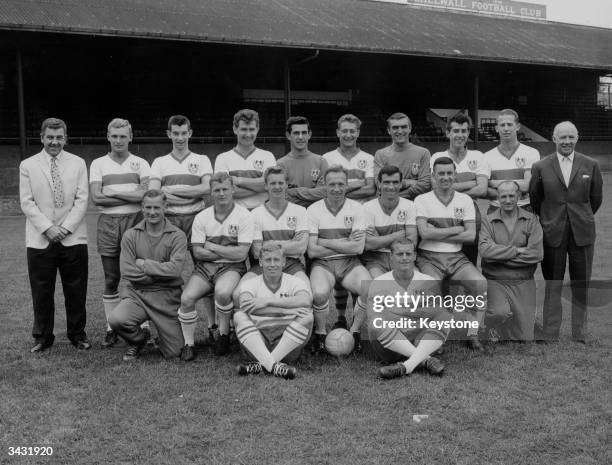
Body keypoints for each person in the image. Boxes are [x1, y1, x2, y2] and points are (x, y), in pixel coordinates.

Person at [20, 117, 90, 352]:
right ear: (42, 138)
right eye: (50, 137)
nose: (54, 142)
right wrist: (48, 228)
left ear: (66, 138)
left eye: (59, 137)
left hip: (73, 236)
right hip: (40, 238)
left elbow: (82, 199)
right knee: (41, 290)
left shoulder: (78, 163)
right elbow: (27, 202)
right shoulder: (27, 165)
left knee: (76, 290)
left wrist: (65, 228)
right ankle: (42, 337)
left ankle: (78, 334)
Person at [529, 121, 603, 343]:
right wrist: (552, 219)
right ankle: (550, 332)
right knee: (553, 282)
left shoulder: (591, 164)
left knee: (582, 283)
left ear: (577, 138)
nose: (567, 141)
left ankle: (580, 332)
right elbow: (536, 199)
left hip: (582, 232)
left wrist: (579, 216)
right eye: (562, 137)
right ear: (553, 139)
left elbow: (596, 199)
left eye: (571, 137)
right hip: (552, 232)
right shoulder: (541, 166)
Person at [149, 115, 215, 340]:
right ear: (169, 134)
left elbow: (206, 189)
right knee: (165, 275)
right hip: (169, 222)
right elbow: (156, 194)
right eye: (175, 133)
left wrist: (171, 192)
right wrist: (189, 191)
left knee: (206, 271)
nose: (179, 137)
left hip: (197, 219)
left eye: (183, 132)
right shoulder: (159, 162)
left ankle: (213, 327)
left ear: (190, 133)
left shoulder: (202, 159)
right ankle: (164, 328)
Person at [414, 156, 487, 351]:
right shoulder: (422, 199)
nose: (445, 177)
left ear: (455, 175)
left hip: (456, 257)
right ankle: (433, 337)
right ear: (433, 176)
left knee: (480, 284)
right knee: (430, 290)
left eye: (449, 173)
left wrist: (436, 232)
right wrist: (456, 230)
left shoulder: (465, 200)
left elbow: (471, 235)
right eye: (441, 173)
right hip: (428, 256)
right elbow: (424, 233)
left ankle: (472, 335)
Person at [178, 172, 254, 360]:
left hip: (232, 268)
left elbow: (241, 254)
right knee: (187, 298)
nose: (221, 193)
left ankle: (223, 334)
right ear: (211, 192)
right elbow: (197, 252)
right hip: (205, 268)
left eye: (225, 189)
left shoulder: (244, 215)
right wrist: (226, 249)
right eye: (217, 190)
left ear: (233, 189)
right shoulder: (202, 216)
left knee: (222, 292)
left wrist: (211, 246)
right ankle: (189, 344)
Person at [89, 118, 151, 348]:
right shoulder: (98, 164)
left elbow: (145, 196)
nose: (118, 140)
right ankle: (110, 327)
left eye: (123, 136)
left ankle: (143, 326)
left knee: (139, 275)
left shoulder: (141, 163)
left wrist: (112, 193)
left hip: (136, 221)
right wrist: (129, 193)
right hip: (108, 223)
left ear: (130, 137)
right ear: (108, 136)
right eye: (114, 136)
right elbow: (96, 198)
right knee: (112, 278)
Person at [109, 190, 188, 361]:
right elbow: (127, 271)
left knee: (175, 352)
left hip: (166, 297)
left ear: (165, 207)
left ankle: (164, 336)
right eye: (148, 207)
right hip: (137, 294)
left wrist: (144, 264)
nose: (152, 212)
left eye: (157, 207)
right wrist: (159, 273)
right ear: (142, 208)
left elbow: (175, 270)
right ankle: (138, 340)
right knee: (116, 319)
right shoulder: (130, 235)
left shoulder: (178, 236)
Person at [307, 166, 372, 353]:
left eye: (341, 184)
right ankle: (319, 334)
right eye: (332, 184)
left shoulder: (357, 209)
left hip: (350, 262)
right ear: (324, 185)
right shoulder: (313, 210)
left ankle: (354, 332)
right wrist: (345, 242)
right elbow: (312, 251)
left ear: (347, 185)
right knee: (319, 293)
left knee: (370, 288)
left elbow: (358, 247)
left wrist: (324, 241)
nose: (336, 188)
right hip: (323, 264)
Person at [368, 239, 448, 379]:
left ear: (415, 256)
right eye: (400, 254)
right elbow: (373, 317)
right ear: (391, 256)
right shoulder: (379, 283)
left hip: (418, 340)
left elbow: (437, 312)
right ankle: (426, 360)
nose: (404, 258)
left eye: (408, 253)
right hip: (391, 347)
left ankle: (406, 367)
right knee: (376, 323)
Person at [234, 243, 313, 379]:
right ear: (260, 262)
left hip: (286, 343)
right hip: (258, 342)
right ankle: (273, 366)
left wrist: (267, 301)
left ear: (283, 262)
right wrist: (285, 310)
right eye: (267, 260)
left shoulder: (295, 281)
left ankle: (262, 365)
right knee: (239, 316)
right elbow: (245, 306)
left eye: (276, 260)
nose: (272, 264)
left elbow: (305, 300)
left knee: (307, 317)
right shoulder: (250, 283)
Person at [479, 181, 543, 342]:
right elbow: (485, 252)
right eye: (503, 196)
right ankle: (493, 324)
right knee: (499, 311)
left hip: (523, 280)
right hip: (495, 279)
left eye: (511, 196)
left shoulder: (531, 220)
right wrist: (516, 250)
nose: (507, 200)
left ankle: (511, 321)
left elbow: (536, 254)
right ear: (498, 198)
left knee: (525, 338)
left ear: (519, 197)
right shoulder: (488, 220)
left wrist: (500, 257)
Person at [430, 112, 489, 265]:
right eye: (456, 131)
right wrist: (471, 182)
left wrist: (450, 187)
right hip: (444, 215)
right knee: (443, 258)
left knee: (469, 262)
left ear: (468, 132)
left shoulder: (478, 156)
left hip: (471, 216)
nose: (460, 135)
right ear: (448, 132)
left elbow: (482, 189)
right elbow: (436, 188)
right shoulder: (437, 156)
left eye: (464, 131)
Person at [236, 166, 309, 286]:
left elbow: (300, 248)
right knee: (239, 292)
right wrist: (289, 244)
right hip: (263, 265)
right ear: (265, 186)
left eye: (281, 183)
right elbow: (256, 251)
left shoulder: (300, 211)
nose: (277, 187)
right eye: (273, 183)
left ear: (286, 185)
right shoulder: (255, 214)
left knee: (306, 289)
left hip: (291, 265)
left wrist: (267, 244)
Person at [214, 109, 276, 210]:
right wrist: (262, 187)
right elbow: (224, 191)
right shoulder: (222, 158)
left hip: (262, 215)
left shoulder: (268, 156)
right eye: (244, 129)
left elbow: (271, 186)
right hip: (234, 216)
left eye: (251, 129)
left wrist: (238, 180)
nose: (248, 134)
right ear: (235, 129)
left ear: (257, 129)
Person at [363, 165, 417, 277]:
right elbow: (368, 244)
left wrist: (379, 240)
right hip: (375, 260)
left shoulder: (410, 206)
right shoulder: (367, 208)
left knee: (417, 287)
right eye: (386, 182)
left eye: (395, 182)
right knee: (381, 287)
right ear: (379, 184)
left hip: (403, 257)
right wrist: (397, 236)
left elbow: (412, 241)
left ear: (401, 184)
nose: (391, 187)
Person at [484, 109, 540, 213]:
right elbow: (484, 189)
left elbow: (528, 185)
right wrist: (517, 187)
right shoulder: (486, 157)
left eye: (509, 124)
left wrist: (494, 183)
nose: (506, 128)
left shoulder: (531, 153)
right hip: (496, 209)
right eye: (502, 125)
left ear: (517, 126)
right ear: (496, 128)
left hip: (524, 208)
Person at [373, 112, 431, 200]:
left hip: (414, 206)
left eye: (404, 127)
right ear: (388, 130)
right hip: (389, 208)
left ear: (410, 129)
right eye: (395, 128)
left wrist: (393, 196)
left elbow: (424, 185)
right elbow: (379, 183)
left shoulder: (423, 153)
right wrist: (409, 182)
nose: (400, 131)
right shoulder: (380, 154)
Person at [277, 116, 329, 207]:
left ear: (309, 134)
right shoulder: (281, 164)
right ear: (288, 135)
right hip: (291, 216)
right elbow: (283, 196)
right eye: (296, 133)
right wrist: (314, 193)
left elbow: (326, 193)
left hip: (316, 214)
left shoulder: (321, 162)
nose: (300, 137)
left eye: (304, 133)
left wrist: (294, 191)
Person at [322, 114, 376, 203]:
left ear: (358, 133)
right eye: (344, 131)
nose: (348, 135)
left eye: (352, 131)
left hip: (361, 212)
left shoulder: (370, 158)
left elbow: (370, 189)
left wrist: (338, 193)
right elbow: (324, 190)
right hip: (337, 210)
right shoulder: (326, 158)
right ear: (338, 132)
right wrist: (360, 183)